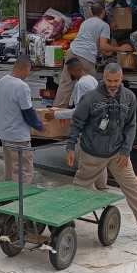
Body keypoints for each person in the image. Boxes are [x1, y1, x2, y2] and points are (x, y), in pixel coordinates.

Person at [66, 63, 137, 238]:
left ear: (121, 77)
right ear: (103, 78)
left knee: (133, 187)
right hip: (91, 153)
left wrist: (126, 151)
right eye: (109, 80)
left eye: (116, 80)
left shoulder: (129, 97)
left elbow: (131, 126)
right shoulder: (90, 98)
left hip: (118, 153)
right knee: (79, 188)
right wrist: (70, 147)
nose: (112, 84)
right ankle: (66, 220)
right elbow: (76, 123)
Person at [54, 3, 131, 107]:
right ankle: (90, 112)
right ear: (103, 12)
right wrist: (120, 49)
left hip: (71, 51)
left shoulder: (85, 22)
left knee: (65, 84)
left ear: (91, 12)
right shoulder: (104, 25)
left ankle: (57, 112)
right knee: (91, 85)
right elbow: (103, 46)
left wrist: (109, 50)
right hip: (85, 56)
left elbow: (99, 47)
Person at [46, 58, 105, 190]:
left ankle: (87, 193)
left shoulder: (81, 84)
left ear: (73, 70)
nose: (68, 75)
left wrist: (55, 114)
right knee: (100, 160)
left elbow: (79, 111)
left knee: (85, 164)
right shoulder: (91, 79)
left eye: (68, 71)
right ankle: (102, 187)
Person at [0, 56, 44, 183]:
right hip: (18, 137)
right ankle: (22, 199)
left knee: (10, 169)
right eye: (29, 70)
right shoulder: (22, 87)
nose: (28, 74)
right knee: (24, 171)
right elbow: (28, 113)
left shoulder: (3, 81)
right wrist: (40, 126)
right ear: (25, 68)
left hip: (4, 134)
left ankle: (9, 197)